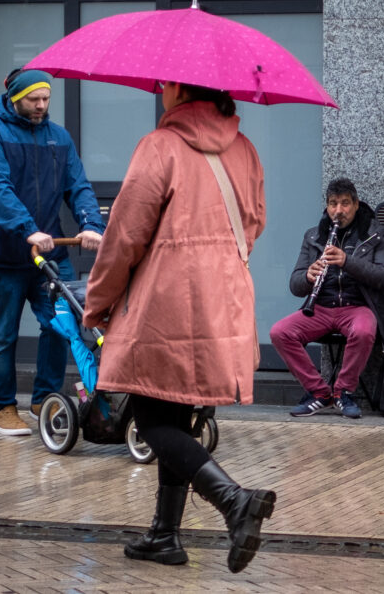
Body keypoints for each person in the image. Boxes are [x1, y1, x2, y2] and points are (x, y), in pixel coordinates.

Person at [83, 81, 274, 576]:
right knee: (176, 415)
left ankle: (234, 501)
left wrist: (98, 303)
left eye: (166, 84)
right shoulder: (245, 148)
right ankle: (164, 535)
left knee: (150, 421)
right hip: (224, 302)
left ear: (179, 89)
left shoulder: (159, 146)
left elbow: (125, 236)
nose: (160, 90)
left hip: (167, 302)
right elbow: (254, 222)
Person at [0, 68, 104, 437]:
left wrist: (91, 223)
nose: (42, 106)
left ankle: (43, 398)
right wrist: (29, 230)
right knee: (3, 334)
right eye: (34, 99)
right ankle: (3, 409)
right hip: (2, 255)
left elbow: (78, 186)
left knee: (62, 326)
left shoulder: (57, 137)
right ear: (15, 97)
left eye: (46, 99)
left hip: (50, 253)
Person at [271, 178, 384, 419]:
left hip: (357, 307)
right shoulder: (314, 236)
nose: (338, 211)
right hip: (321, 308)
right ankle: (320, 394)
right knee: (280, 332)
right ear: (327, 207)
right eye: (333, 204)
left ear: (356, 204)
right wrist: (308, 276)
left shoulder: (375, 234)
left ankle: (343, 392)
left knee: (363, 331)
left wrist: (347, 262)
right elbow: (295, 285)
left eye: (345, 203)